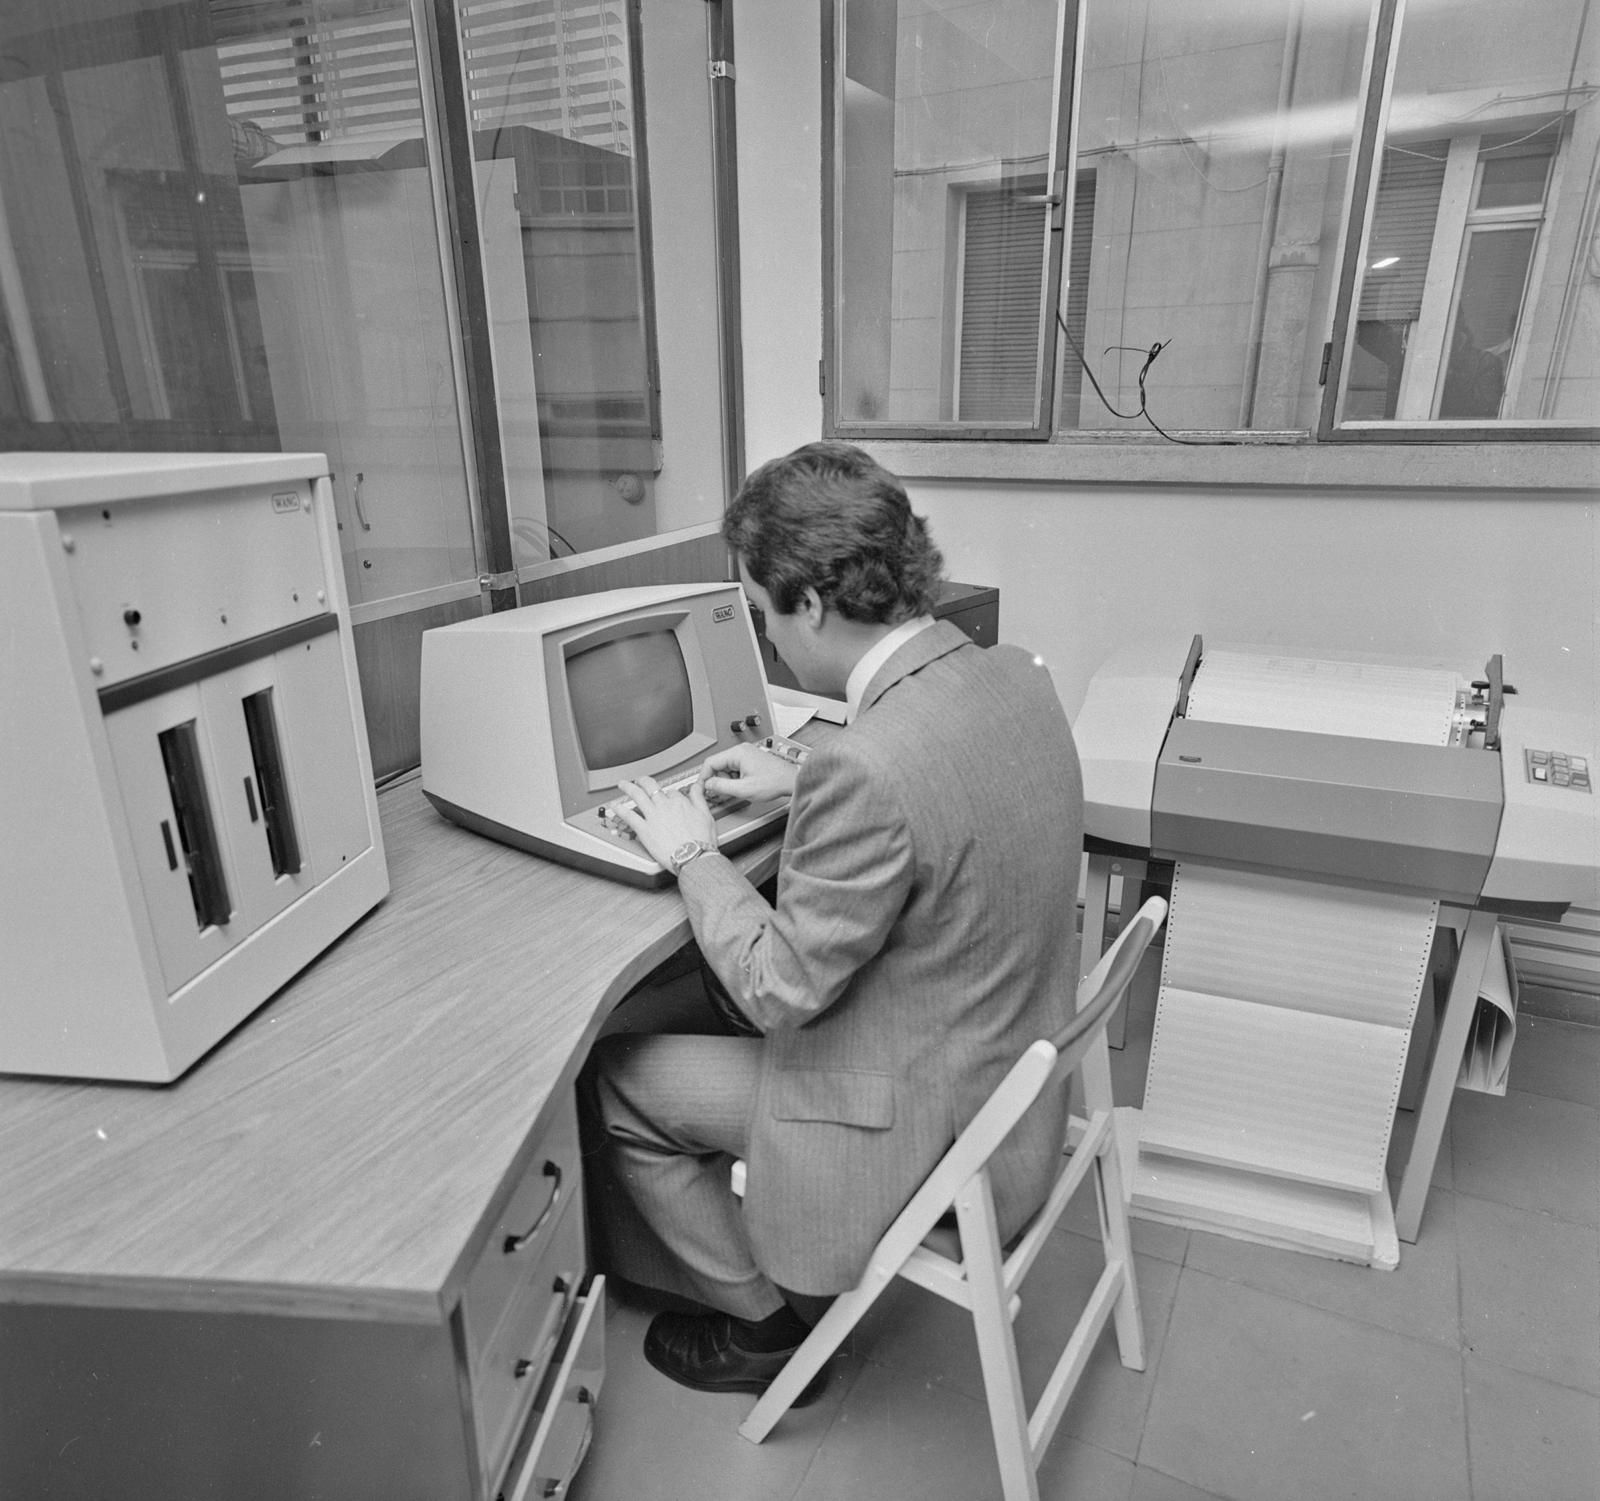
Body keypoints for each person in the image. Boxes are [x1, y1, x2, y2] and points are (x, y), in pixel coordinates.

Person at [584, 440, 1084, 1402]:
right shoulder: (1014, 674)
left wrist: (692, 851)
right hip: (1011, 1100)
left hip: (915, 1130)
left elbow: (780, 987)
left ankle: (765, 1324)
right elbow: (948, 784)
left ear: (809, 604)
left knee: (618, 1078)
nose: (768, 639)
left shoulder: (869, 765)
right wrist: (806, 771)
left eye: (764, 613)